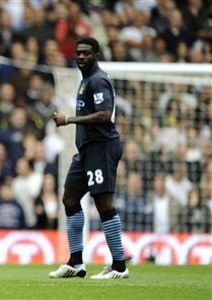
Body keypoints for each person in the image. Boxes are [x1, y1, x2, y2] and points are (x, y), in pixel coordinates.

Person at [50, 37, 129, 279]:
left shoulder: (99, 80)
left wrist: (69, 120)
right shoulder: (85, 81)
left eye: (86, 53)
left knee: (103, 204)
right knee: (70, 199)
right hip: (86, 150)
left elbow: (105, 115)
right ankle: (76, 262)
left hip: (102, 147)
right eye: (78, 53)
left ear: (96, 55)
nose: (81, 56)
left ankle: (119, 266)